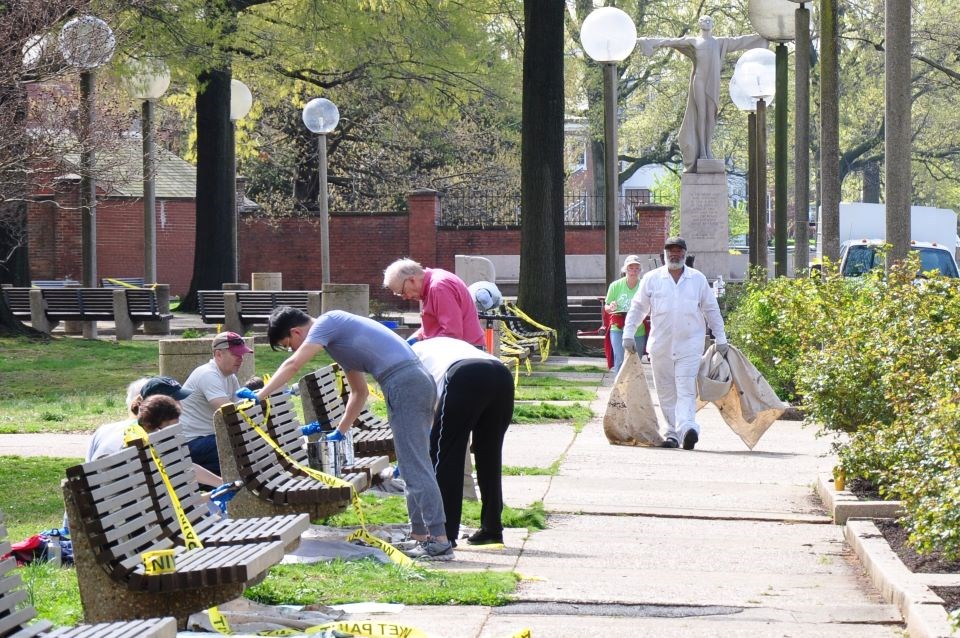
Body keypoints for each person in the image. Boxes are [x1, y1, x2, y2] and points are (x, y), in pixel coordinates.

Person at [256, 306, 454, 561]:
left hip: (405, 383)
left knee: (416, 465)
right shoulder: (338, 340)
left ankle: (439, 540)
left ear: (296, 331)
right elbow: (359, 392)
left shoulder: (329, 322)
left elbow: (294, 365)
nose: (293, 350)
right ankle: (419, 536)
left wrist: (260, 396)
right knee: (410, 463)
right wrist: (340, 431)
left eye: (289, 344)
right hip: (408, 382)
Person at [622, 237, 729, 450]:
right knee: (666, 391)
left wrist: (721, 337)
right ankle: (671, 433)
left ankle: (689, 428)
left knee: (686, 388)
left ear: (685, 254)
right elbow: (637, 308)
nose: (674, 254)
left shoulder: (697, 279)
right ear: (664, 254)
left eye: (679, 251)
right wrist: (628, 333)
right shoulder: (652, 279)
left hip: (689, 345)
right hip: (660, 345)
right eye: (670, 251)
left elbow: (711, 310)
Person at [411, 337, 514, 545]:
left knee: (446, 456)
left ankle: (444, 534)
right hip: (501, 374)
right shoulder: (437, 344)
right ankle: (492, 528)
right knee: (490, 455)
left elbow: (423, 409)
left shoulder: (410, 357)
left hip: (463, 375)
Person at [638, 16, 766, 172]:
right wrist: (648, 41)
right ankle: (703, 153)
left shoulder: (719, 42)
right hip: (699, 82)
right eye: (704, 20)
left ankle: (708, 148)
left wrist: (761, 37)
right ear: (699, 23)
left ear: (713, 24)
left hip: (712, 83)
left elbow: (740, 41)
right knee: (702, 114)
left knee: (711, 117)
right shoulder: (693, 41)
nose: (707, 22)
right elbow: (670, 41)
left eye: (710, 20)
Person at [178, 331, 253, 476]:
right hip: (193, 444)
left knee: (249, 445)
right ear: (218, 354)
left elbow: (242, 410)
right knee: (243, 448)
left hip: (209, 439)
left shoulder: (229, 376)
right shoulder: (208, 374)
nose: (241, 359)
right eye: (236, 354)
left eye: (242, 354)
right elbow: (229, 412)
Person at [85, 376, 190, 462]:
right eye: (175, 401)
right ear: (159, 406)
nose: (180, 406)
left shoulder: (104, 430)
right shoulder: (149, 437)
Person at [383, 258, 484, 347]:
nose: (405, 298)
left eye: (402, 292)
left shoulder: (439, 287)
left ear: (412, 280)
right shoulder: (431, 284)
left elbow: (452, 334)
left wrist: (422, 347)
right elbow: (430, 330)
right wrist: (407, 344)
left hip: (466, 356)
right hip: (461, 352)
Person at [604, 254, 648, 373]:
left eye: (636, 268)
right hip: (618, 326)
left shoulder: (644, 285)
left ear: (640, 270)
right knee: (619, 358)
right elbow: (606, 307)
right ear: (625, 269)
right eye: (630, 268)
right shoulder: (615, 286)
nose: (633, 271)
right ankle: (618, 388)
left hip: (638, 327)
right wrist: (611, 306)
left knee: (635, 360)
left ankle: (634, 388)